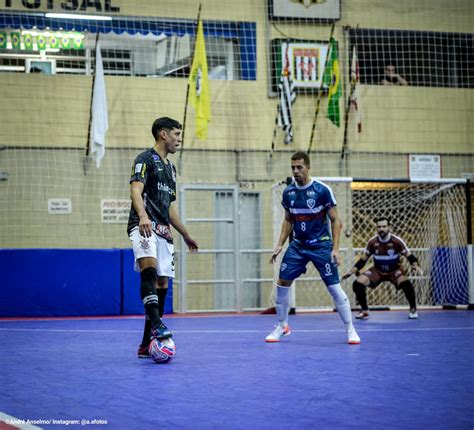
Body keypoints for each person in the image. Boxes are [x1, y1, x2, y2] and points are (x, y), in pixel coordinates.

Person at [266, 152, 360, 345]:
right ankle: (282, 326)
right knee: (281, 283)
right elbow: (287, 220)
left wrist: (335, 248)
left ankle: (350, 329)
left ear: (308, 167)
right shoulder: (289, 193)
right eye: (293, 167)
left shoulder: (322, 190)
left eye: (299, 167)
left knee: (334, 288)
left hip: (321, 246)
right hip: (298, 246)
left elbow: (335, 220)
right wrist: (279, 245)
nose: (295, 171)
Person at [127, 117, 198, 358]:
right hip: (143, 226)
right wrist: (143, 215)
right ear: (162, 134)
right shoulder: (144, 159)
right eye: (176, 133)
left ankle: (146, 343)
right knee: (149, 271)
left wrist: (185, 234)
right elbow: (135, 189)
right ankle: (158, 325)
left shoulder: (171, 169)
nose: (180, 138)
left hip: (164, 232)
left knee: (162, 284)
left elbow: (169, 207)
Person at [342, 216, 422, 320]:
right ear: (376, 228)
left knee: (407, 284)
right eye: (379, 227)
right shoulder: (372, 242)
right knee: (357, 284)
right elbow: (362, 260)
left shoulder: (397, 241)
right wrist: (350, 272)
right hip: (377, 271)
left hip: (394, 271)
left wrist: (415, 265)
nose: (381, 229)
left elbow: (410, 256)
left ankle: (413, 309)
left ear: (389, 227)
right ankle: (365, 310)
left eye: (384, 226)